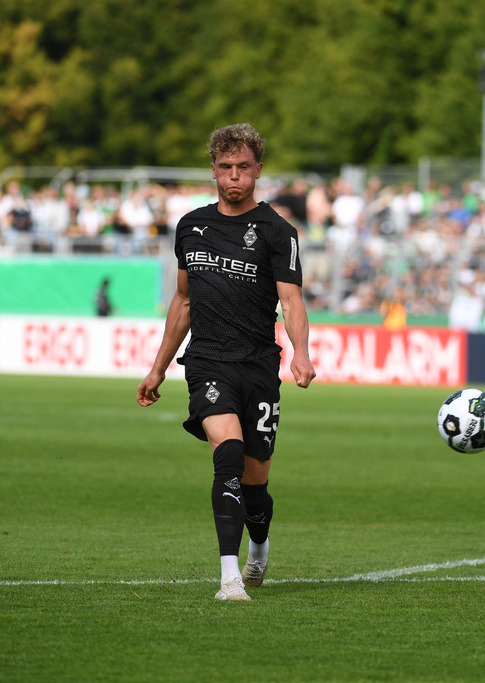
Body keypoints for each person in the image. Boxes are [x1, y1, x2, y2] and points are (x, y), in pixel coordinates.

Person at [137, 123, 316, 602]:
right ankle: (229, 576)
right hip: (208, 361)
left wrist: (301, 353)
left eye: (243, 167)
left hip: (258, 365)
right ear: (213, 170)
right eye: (225, 167)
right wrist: (158, 367)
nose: (234, 176)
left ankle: (259, 545)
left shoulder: (279, 232)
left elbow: (292, 300)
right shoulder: (190, 225)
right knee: (229, 457)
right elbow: (183, 300)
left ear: (258, 170)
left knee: (256, 483)